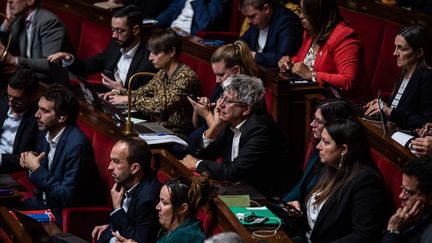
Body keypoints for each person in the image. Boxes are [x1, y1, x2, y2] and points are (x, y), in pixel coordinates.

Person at [181, 74, 292, 197]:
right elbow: (200, 154)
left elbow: (234, 171)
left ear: (245, 109)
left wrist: (196, 164)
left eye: (227, 101)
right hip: (238, 190)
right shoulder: (230, 122)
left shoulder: (261, 130)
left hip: (265, 198)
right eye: (221, 98)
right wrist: (215, 126)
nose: (220, 104)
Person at [290, 119, 390, 242]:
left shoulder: (366, 182)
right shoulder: (330, 167)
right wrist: (299, 212)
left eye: (325, 142)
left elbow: (363, 235)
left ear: (343, 149)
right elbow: (318, 219)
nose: (318, 146)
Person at [20, 84, 102, 225]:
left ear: (62, 117)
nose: (37, 115)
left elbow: (66, 197)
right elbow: (40, 178)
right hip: (42, 203)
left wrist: (36, 169)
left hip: (61, 215)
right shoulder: (46, 133)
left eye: (44, 111)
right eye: (39, 108)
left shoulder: (77, 146)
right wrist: (29, 163)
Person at [103, 28, 200, 138]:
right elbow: (142, 92)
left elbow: (162, 106)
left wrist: (128, 99)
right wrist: (118, 93)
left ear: (172, 52)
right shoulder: (162, 73)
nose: (150, 58)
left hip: (178, 135)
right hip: (159, 129)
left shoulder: (186, 77)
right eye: (150, 53)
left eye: (155, 53)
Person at [47, 5, 157, 91]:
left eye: (120, 31)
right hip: (106, 103)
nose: (114, 35)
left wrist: (121, 91)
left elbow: (147, 100)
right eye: (113, 29)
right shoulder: (115, 45)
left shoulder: (150, 59)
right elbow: (87, 67)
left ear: (135, 30)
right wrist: (68, 58)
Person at [278, 0, 367, 103]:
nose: (301, 16)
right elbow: (304, 60)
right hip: (313, 99)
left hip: (341, 106)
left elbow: (347, 81)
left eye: (306, 12)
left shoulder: (344, 37)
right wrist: (290, 62)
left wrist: (312, 75)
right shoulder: (312, 31)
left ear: (319, 13)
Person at [281, 99, 357, 205]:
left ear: (334, 125)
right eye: (314, 119)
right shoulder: (318, 149)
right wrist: (281, 206)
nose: (312, 124)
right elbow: (300, 187)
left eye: (319, 122)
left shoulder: (345, 170)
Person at [187, 40, 258, 152]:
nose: (217, 80)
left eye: (220, 74)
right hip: (203, 144)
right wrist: (198, 109)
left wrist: (206, 114)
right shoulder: (221, 87)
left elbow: (224, 135)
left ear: (236, 71)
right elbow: (197, 126)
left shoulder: (247, 94)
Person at [92, 137, 161, 243]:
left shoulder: (148, 198)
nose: (109, 167)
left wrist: (117, 209)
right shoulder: (126, 182)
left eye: (116, 161)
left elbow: (136, 240)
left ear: (134, 168)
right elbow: (128, 222)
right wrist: (111, 226)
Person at [364, 25, 432, 129]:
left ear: (419, 53)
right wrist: (382, 105)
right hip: (392, 128)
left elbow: (426, 123)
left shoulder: (427, 77)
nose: (395, 53)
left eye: (402, 49)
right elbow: (399, 109)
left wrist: (388, 110)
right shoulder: (405, 70)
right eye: (396, 47)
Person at [113, 173, 215, 243]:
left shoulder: (186, 237)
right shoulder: (182, 228)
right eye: (159, 201)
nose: (157, 207)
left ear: (183, 208)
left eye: (164, 203)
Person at [0, 0, 72, 84]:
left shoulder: (49, 21)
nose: (9, 1)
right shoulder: (19, 18)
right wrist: (7, 22)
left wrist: (14, 60)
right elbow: (6, 47)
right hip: (30, 76)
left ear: (30, 1)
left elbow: (51, 64)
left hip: (52, 82)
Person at [381, 156, 432, 243]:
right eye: (402, 189)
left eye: (409, 193)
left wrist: (393, 230)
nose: (401, 196)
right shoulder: (410, 217)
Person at [240, 0, 302, 68]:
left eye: (252, 16)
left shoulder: (287, 20)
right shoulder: (256, 21)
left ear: (266, 9)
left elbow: (283, 59)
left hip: (275, 75)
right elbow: (243, 42)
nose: (248, 21)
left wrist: (253, 56)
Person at [0, 68, 39, 173]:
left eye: (17, 99)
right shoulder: (2, 103)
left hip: (8, 169)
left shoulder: (38, 119)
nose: (10, 103)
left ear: (33, 97)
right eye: (9, 96)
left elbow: (32, 157)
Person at [155, 0, 230, 35]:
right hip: (172, 31)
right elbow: (171, 11)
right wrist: (153, 23)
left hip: (189, 38)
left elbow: (204, 23)